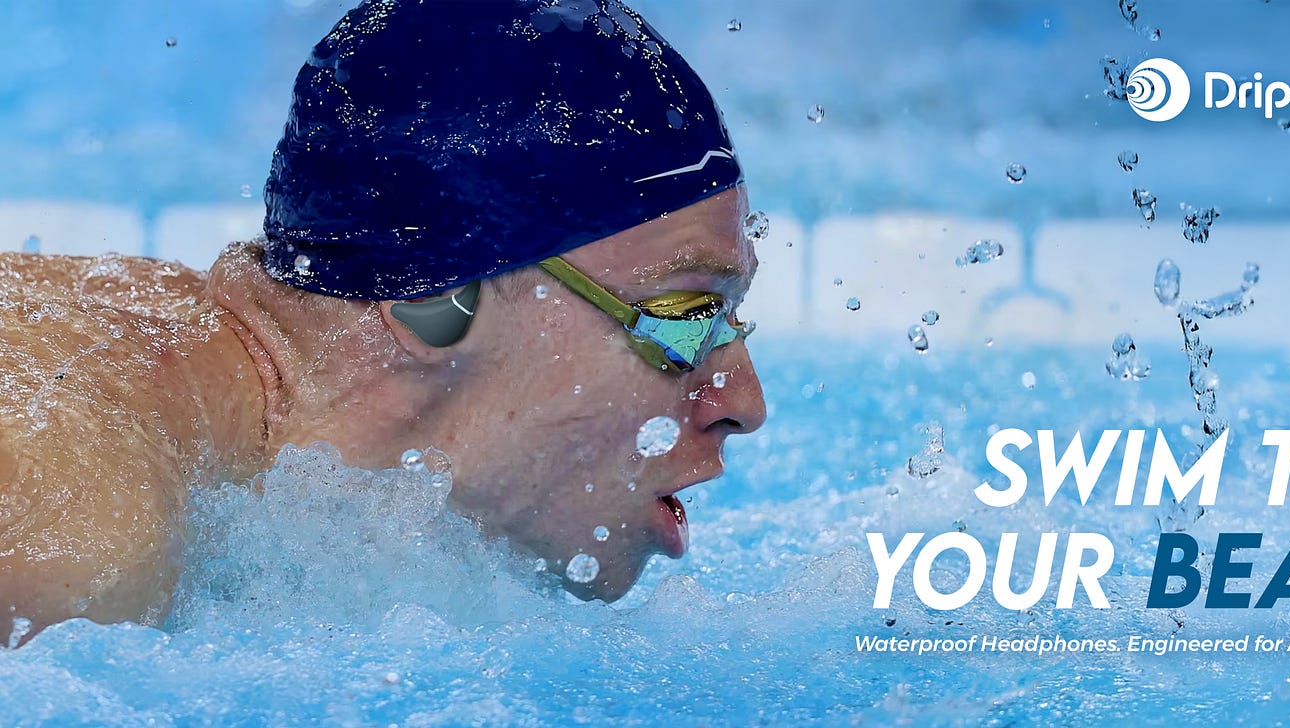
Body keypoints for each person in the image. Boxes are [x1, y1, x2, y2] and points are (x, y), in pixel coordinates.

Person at [0, 0, 766, 647]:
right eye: (683, 318)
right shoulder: (72, 543)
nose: (742, 402)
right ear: (437, 302)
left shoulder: (162, 356)